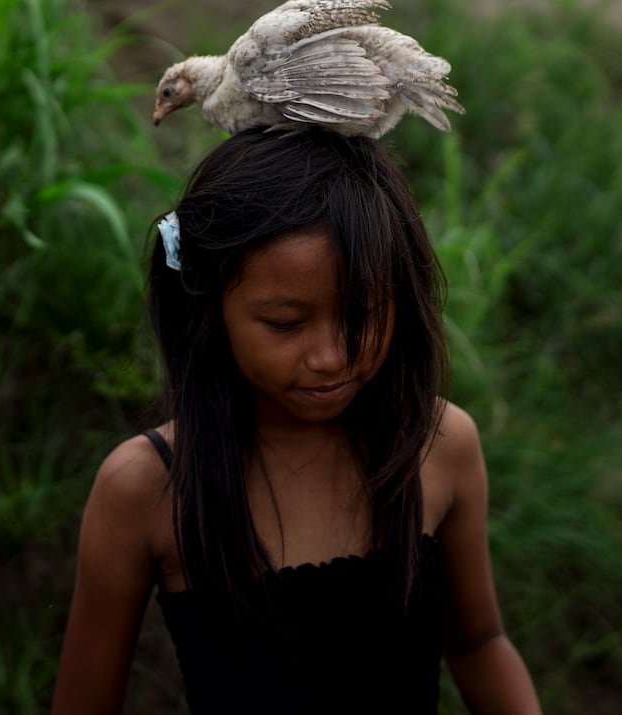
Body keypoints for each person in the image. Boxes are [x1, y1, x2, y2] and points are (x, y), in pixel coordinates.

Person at [52, 128, 542, 714]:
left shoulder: (437, 445)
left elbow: (479, 643)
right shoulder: (146, 487)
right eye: (285, 323)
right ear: (209, 309)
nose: (331, 357)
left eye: (362, 311)